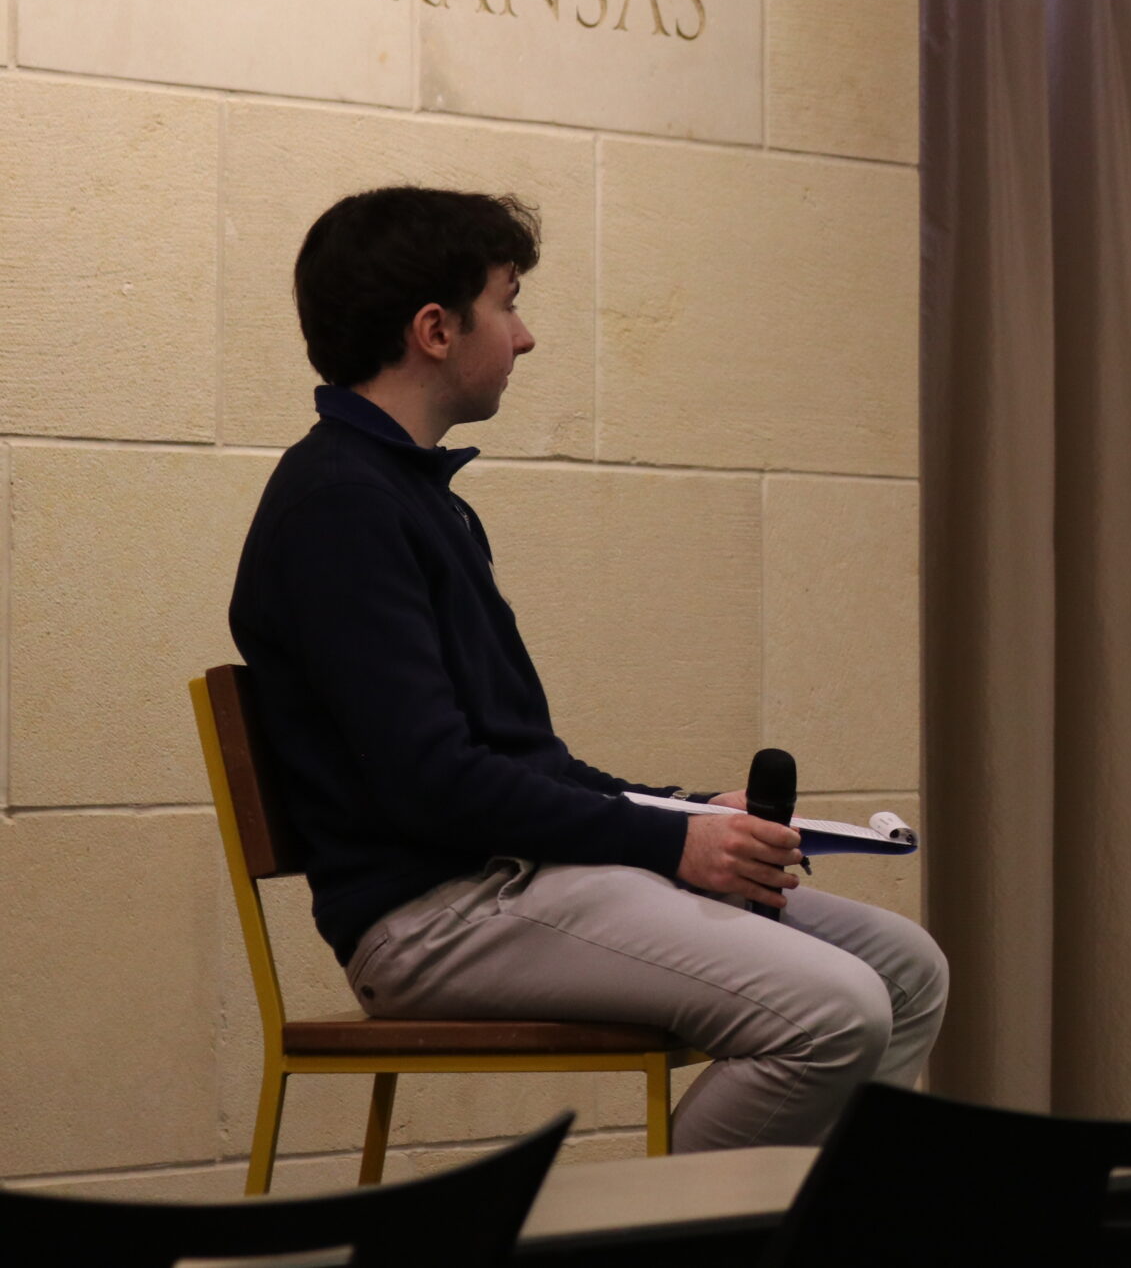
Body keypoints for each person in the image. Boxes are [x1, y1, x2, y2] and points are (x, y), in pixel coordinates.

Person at [230, 186, 945, 1152]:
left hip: (516, 878)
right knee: (834, 1010)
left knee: (906, 970)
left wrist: (695, 819)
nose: (524, 337)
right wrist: (669, 846)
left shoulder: (410, 496)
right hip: (438, 915)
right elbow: (430, 782)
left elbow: (528, 763)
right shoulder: (338, 508)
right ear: (436, 329)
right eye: (509, 302)